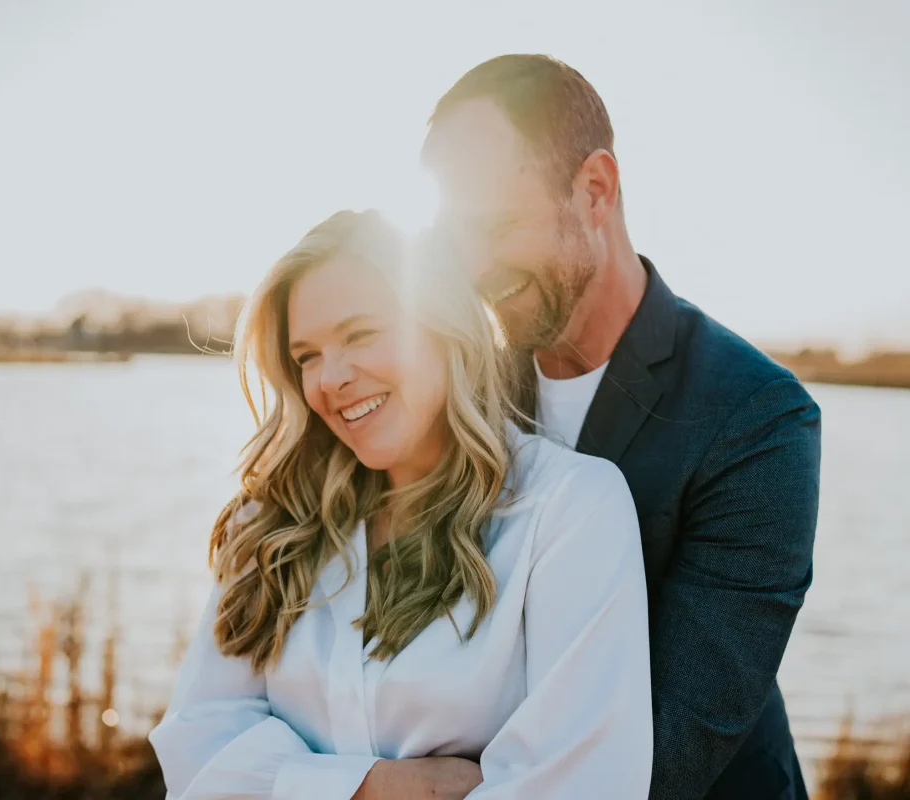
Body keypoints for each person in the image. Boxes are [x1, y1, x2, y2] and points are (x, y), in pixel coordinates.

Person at [422, 54, 822, 799]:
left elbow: (675, 740)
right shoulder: (463, 386)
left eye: (500, 225)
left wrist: (431, 786)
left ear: (596, 189)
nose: (473, 266)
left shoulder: (760, 420)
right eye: (456, 235)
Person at [148, 210, 652, 799]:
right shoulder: (268, 522)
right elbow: (196, 751)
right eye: (306, 355)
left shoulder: (570, 512)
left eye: (361, 334)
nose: (330, 378)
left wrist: (287, 783)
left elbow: (583, 786)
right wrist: (380, 789)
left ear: (445, 329)